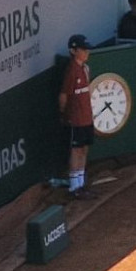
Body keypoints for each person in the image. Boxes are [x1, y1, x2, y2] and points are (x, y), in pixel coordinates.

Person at [58, 34, 96, 201]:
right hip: (76, 120)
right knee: (76, 150)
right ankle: (74, 187)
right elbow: (63, 96)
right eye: (83, 49)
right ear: (74, 51)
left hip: (87, 118)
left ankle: (81, 183)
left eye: (87, 49)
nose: (87, 52)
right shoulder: (71, 71)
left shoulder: (85, 69)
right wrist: (64, 114)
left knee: (84, 149)